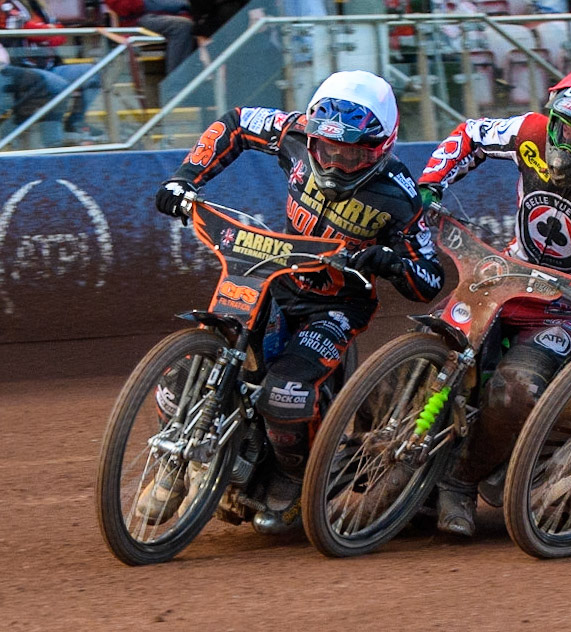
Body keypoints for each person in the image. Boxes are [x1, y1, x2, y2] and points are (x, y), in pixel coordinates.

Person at [140, 70, 444, 534]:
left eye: (353, 153)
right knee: (187, 368)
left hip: (336, 304)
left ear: (381, 148)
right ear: (312, 135)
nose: (336, 162)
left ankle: (294, 479)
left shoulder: (400, 194)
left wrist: (391, 262)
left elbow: (429, 280)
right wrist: (185, 178)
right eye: (327, 149)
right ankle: (174, 461)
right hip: (273, 275)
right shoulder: (294, 132)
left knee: (285, 395)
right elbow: (235, 123)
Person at [417, 62, 571, 537]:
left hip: (565, 309)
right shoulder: (530, 132)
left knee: (515, 391)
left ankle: (459, 483)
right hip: (507, 275)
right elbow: (469, 135)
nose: (564, 144)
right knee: (433, 349)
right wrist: (431, 183)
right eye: (561, 128)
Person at [1, 0, 103, 143]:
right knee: (58, 86)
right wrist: (46, 30)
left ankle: (75, 122)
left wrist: (43, 31)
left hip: (50, 66)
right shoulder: (5, 3)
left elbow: (60, 35)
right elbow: (24, 28)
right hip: (23, 71)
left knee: (92, 73)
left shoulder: (41, 6)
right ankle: (52, 142)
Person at [104, 0, 196, 73]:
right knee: (182, 26)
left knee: (198, 24)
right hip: (138, 19)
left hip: (170, 14)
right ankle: (176, 85)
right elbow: (122, 7)